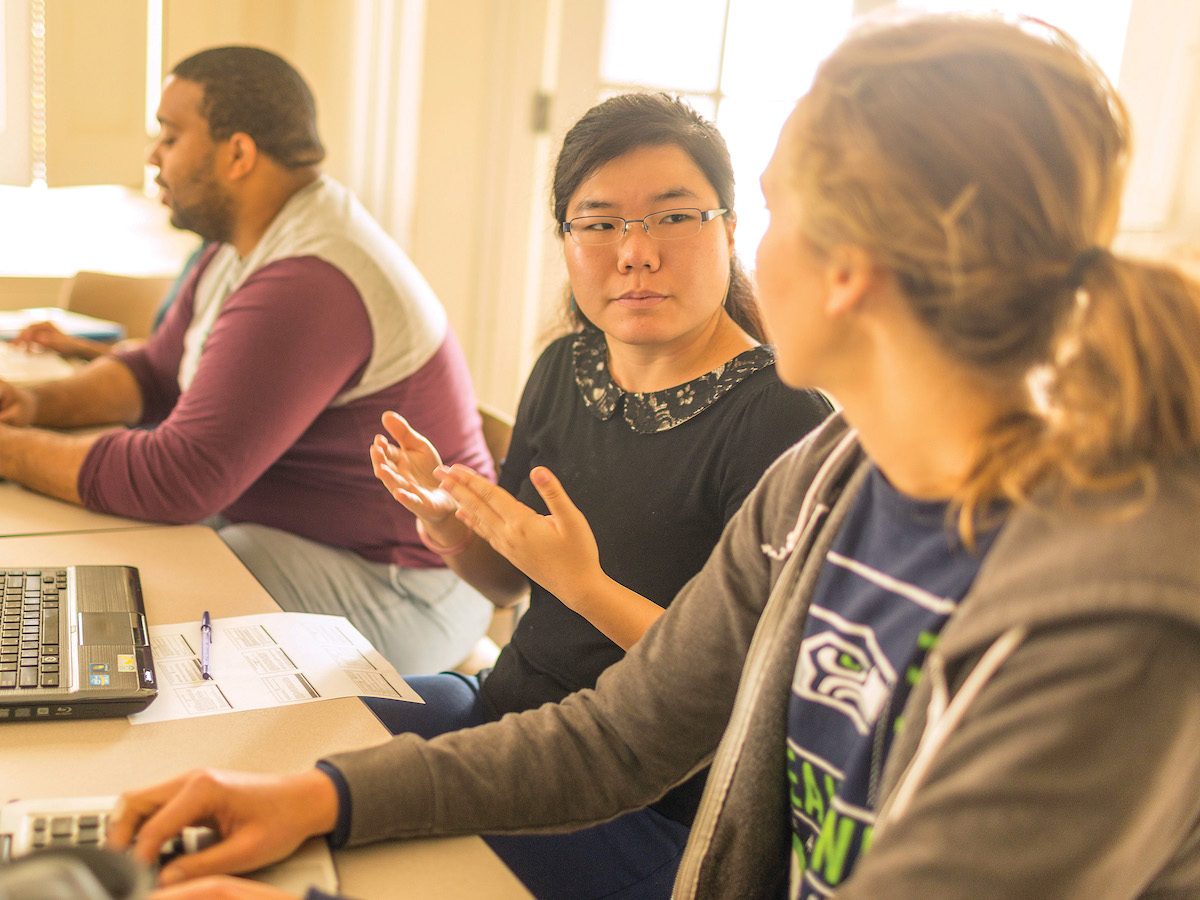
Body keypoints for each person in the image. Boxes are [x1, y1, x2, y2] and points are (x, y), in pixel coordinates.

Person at [108, 14, 1200, 900]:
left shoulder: (1113, 611)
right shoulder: (829, 481)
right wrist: (319, 796)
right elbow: (616, 738)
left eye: (762, 210)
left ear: (852, 267)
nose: (651, 253)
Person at [362, 92, 830, 896]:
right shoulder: (566, 367)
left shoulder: (783, 416)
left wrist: (583, 585)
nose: (636, 252)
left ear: (729, 229)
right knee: (307, 748)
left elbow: (749, 693)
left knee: (380, 867)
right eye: (600, 222)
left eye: (673, 217)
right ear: (567, 240)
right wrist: (451, 527)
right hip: (505, 716)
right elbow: (506, 587)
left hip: (645, 798)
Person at [0, 47, 495, 673]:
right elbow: (156, 372)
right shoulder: (246, 243)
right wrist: (35, 405)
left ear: (237, 154)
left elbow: (178, 478)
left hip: (399, 586)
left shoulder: (312, 277)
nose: (153, 156)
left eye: (170, 136)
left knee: (129, 601)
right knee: (101, 576)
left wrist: (10, 451)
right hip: (294, 538)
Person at [11, 242, 212, 360]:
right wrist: (76, 347)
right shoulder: (200, 255)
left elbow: (163, 367)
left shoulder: (215, 267)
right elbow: (156, 361)